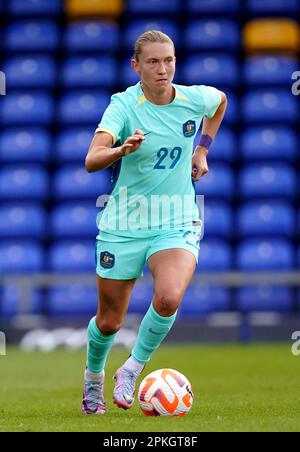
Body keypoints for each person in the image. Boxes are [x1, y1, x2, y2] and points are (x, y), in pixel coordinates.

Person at [81, 30, 227, 414]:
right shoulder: (124, 106)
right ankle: (93, 379)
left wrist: (202, 150)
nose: (162, 69)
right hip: (124, 223)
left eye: (169, 61)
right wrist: (120, 149)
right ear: (137, 66)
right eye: (153, 62)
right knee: (110, 322)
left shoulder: (195, 97)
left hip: (175, 220)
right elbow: (91, 159)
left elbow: (220, 102)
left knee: (168, 297)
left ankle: (131, 369)